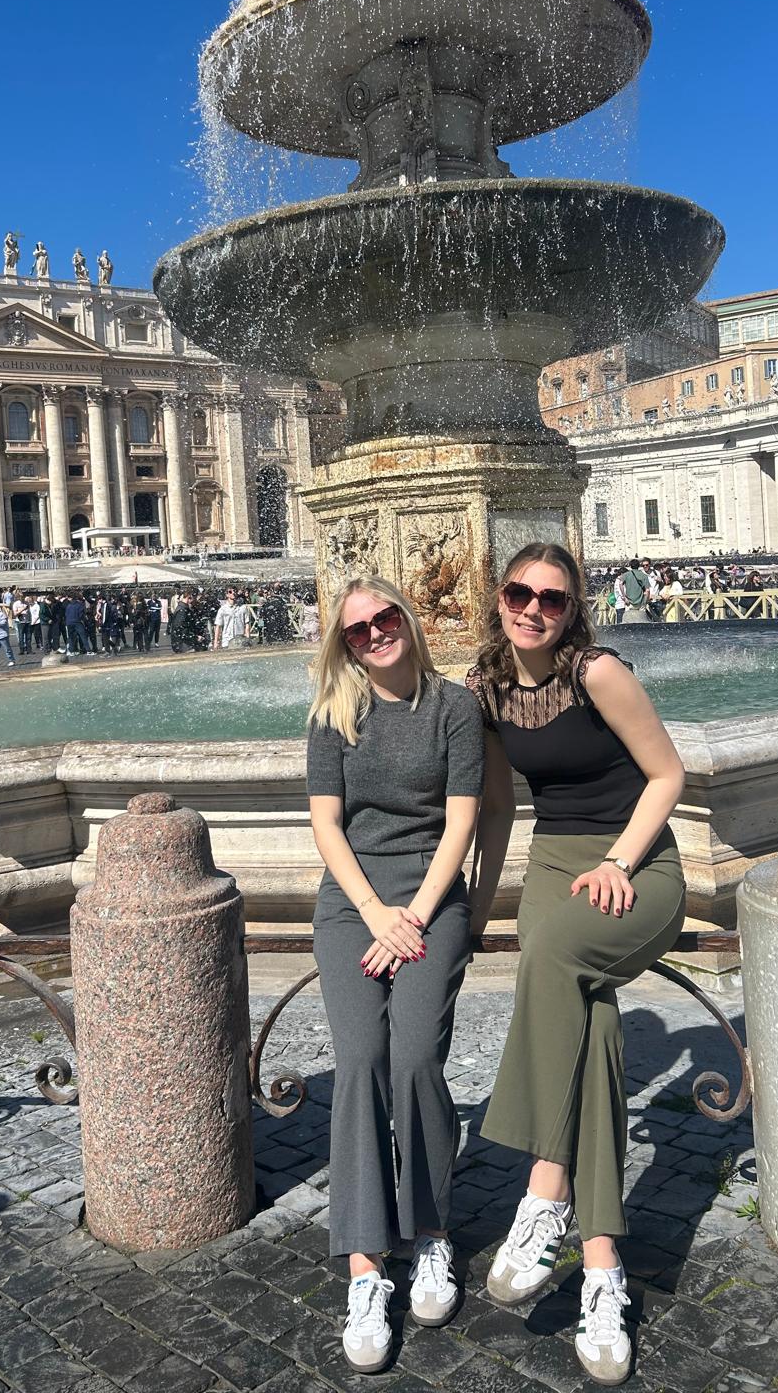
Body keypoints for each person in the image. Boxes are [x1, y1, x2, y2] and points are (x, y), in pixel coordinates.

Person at [465, 542, 686, 1386]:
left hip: (636, 861)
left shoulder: (598, 672)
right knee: (588, 1022)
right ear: (499, 597)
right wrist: (477, 908)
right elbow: (495, 809)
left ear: (573, 609)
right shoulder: (484, 691)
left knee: (555, 957)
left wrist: (621, 861)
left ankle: (545, 1185)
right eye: (520, 593)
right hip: (554, 863)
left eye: (552, 599)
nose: (534, 609)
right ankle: (601, 1267)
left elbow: (666, 775)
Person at [307, 578, 484, 1372]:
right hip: (354, 904)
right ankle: (365, 1264)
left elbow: (461, 824)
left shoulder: (454, 708)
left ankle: (432, 1231)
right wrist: (377, 912)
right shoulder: (333, 713)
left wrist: (412, 914)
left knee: (413, 1057)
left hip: (431, 898)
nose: (376, 633)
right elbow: (326, 825)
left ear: (408, 621)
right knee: (360, 1060)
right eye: (359, 630)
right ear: (344, 644)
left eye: (385, 619)